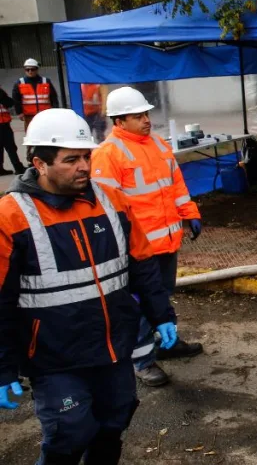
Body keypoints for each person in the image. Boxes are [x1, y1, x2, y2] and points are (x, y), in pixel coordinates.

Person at [0, 108, 178, 464]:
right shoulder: (11, 216)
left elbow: (141, 264)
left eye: (87, 156)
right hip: (54, 359)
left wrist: (161, 314)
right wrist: (2, 366)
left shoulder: (112, 201)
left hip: (112, 348)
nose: (85, 166)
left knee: (115, 420)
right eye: (71, 159)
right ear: (40, 163)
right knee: (70, 432)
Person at [90, 87, 203, 388]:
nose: (145, 120)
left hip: (166, 241)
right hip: (137, 250)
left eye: (146, 114)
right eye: (137, 116)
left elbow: (175, 184)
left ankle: (167, 342)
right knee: (138, 303)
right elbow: (105, 208)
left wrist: (189, 212)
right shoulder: (108, 154)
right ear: (119, 121)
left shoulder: (157, 144)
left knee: (162, 296)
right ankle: (143, 361)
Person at [13, 58, 60, 130]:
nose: (30, 71)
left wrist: (55, 110)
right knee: (31, 133)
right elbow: (16, 99)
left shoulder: (46, 81)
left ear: (37, 69)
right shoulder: (19, 83)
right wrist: (19, 112)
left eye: (32, 69)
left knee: (47, 131)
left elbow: (53, 97)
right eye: (27, 69)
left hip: (45, 114)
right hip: (29, 115)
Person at [0, 84, 26, 175]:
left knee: (9, 147)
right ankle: (18, 168)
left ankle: (1, 169)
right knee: (10, 147)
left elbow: (10, 103)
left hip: (4, 122)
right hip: (2, 124)